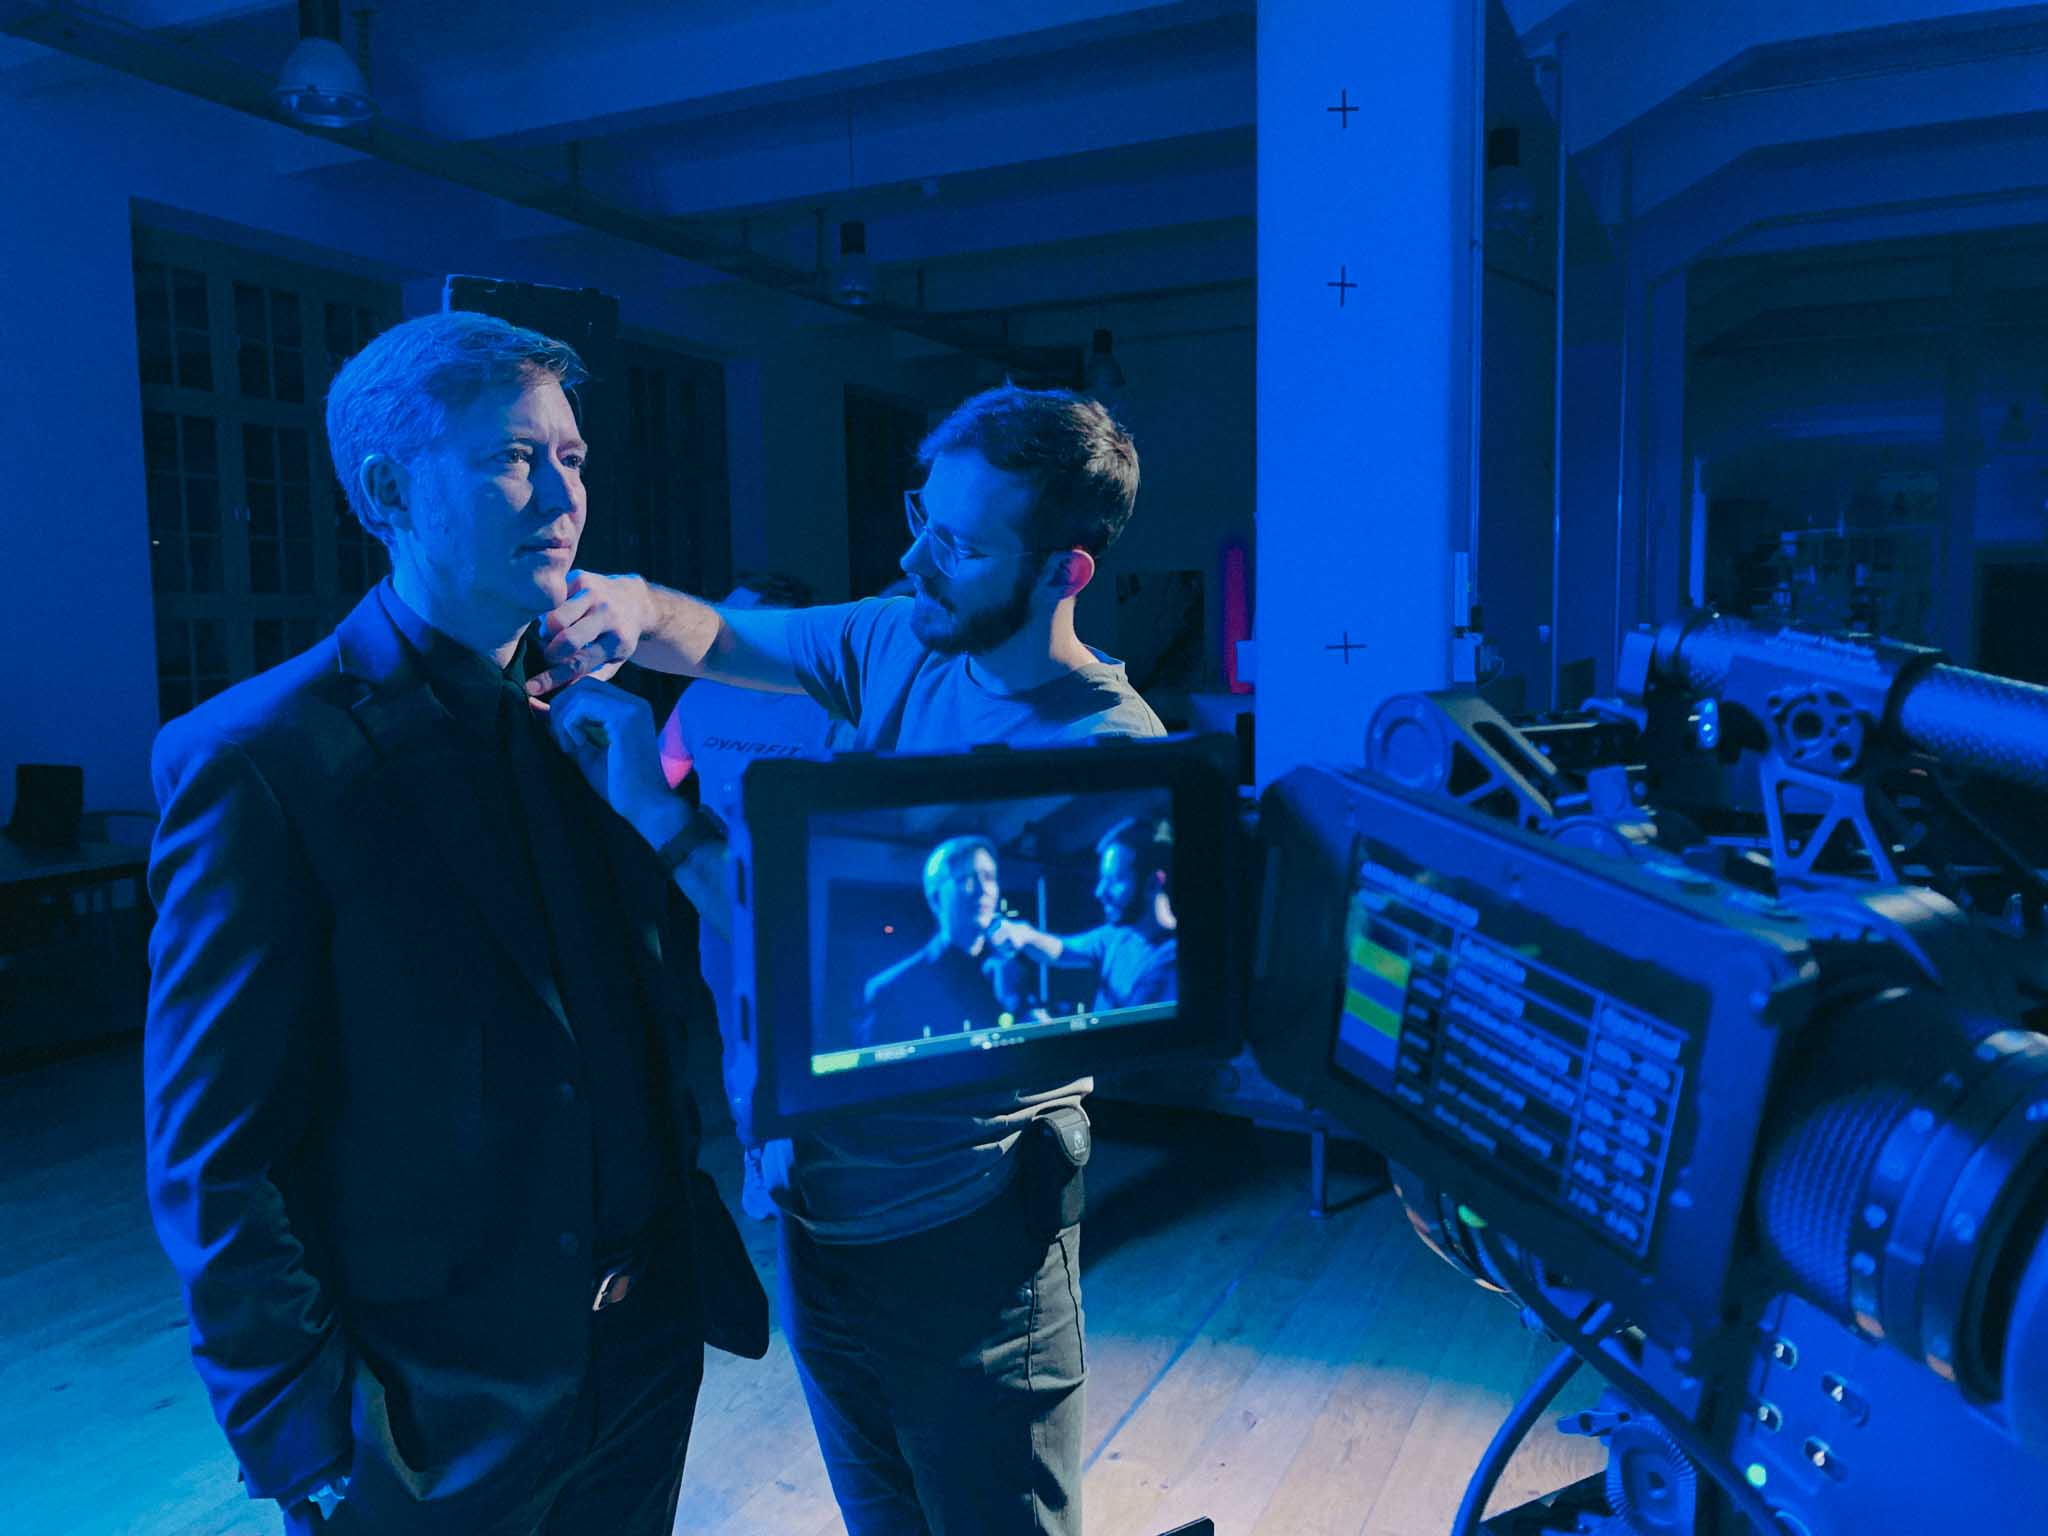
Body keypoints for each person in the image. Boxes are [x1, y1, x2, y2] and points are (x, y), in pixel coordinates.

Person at [141, 311, 766, 1536]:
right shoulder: (262, 758)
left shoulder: (597, 731)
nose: (561, 497)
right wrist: (302, 1431)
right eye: (511, 457)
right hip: (433, 1413)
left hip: (641, 1354)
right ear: (388, 490)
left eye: (574, 459)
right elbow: (212, 1149)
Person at [532, 382, 1159, 1536]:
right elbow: (716, 634)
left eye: (961, 546)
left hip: (968, 1238)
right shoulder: (897, 635)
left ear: (1062, 571)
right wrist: (625, 607)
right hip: (822, 1209)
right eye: (921, 516)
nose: (917, 559)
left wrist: (651, 807)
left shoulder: (1093, 752)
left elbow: (861, 976)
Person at [988, 815, 1178, 1012]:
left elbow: (1123, 1036)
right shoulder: (1116, 936)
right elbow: (1061, 950)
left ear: (1154, 883)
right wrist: (1023, 934)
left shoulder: (1169, 961)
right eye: (1103, 879)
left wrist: (1017, 1003)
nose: (1100, 892)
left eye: (1115, 880)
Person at [856, 835, 1010, 1046]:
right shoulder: (891, 991)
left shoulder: (1013, 969)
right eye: (966, 878)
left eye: (990, 877)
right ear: (936, 898)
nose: (984, 890)